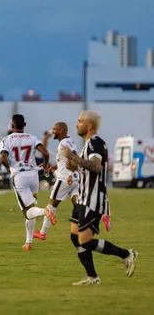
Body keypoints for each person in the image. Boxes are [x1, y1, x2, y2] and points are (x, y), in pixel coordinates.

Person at [62, 110, 137, 285]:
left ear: (89, 126)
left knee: (85, 241)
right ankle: (92, 277)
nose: (76, 124)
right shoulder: (88, 144)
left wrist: (72, 157)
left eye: (79, 121)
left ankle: (126, 254)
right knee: (75, 238)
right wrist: (73, 165)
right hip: (82, 198)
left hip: (93, 199)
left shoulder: (95, 143)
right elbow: (87, 168)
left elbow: (95, 167)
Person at [0, 114, 56, 250]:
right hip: (33, 175)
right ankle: (28, 242)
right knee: (31, 208)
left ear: (12, 126)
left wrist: (8, 168)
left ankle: (46, 211)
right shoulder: (32, 138)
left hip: (19, 176)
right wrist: (45, 163)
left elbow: (3, 157)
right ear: (24, 125)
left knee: (28, 211)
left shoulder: (6, 140)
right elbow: (45, 152)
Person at [33, 122, 79, 241]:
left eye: (54, 129)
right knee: (78, 204)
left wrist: (69, 173)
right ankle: (88, 226)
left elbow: (73, 157)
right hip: (74, 178)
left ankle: (43, 232)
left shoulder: (64, 143)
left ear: (62, 130)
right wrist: (56, 166)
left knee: (51, 205)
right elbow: (67, 159)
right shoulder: (68, 141)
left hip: (65, 178)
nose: (52, 131)